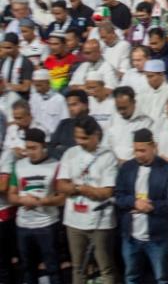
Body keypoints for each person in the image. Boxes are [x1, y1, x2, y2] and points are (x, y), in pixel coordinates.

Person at [56, 115, 118, 284]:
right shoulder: (70, 153)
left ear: (96, 134)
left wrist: (79, 188)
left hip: (100, 222)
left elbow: (106, 192)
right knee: (78, 267)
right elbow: (61, 185)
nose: (80, 141)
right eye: (77, 137)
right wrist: (82, 189)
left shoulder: (108, 156)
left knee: (106, 268)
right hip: (74, 220)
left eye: (84, 137)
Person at [114, 128, 168, 284]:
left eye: (143, 150)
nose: (139, 154)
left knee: (163, 278)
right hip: (131, 235)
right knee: (131, 277)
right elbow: (118, 196)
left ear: (153, 147)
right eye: (136, 150)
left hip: (158, 236)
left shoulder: (167, 170)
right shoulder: (127, 168)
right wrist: (134, 202)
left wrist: (152, 206)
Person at [9, 127, 64, 284]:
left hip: (47, 224)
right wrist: (23, 201)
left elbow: (61, 198)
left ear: (43, 146)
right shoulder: (19, 166)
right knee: (27, 268)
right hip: (23, 225)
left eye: (34, 148)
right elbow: (12, 195)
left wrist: (40, 202)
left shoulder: (55, 165)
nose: (30, 152)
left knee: (53, 268)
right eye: (27, 148)